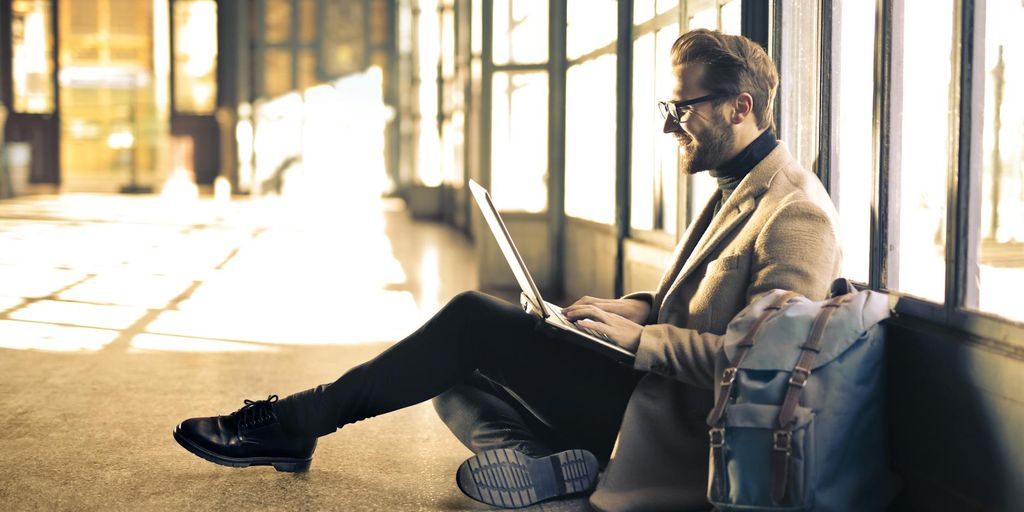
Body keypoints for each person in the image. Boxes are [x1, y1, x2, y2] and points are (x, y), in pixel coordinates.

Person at [173, 29, 841, 511]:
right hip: (641, 386)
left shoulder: (794, 213)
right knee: (444, 379)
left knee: (470, 321)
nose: (671, 128)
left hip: (672, 423)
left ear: (740, 106)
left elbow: (764, 367)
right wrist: (630, 309)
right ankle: (544, 467)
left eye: (681, 109)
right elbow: (699, 299)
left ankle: (295, 422)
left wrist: (636, 341)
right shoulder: (737, 184)